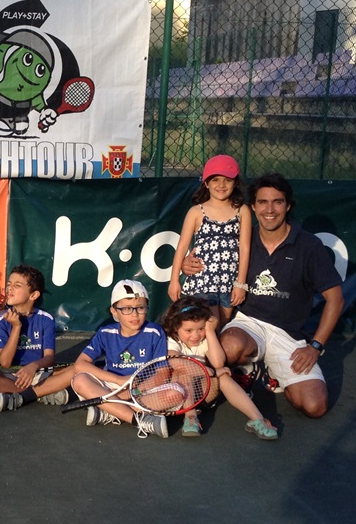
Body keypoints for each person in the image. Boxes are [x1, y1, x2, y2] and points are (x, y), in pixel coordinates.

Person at [182, 172, 344, 418]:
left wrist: (315, 347)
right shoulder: (241, 238)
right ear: (253, 207)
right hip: (249, 324)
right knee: (228, 347)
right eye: (262, 202)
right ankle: (247, 368)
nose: (270, 209)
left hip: (288, 335)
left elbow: (336, 299)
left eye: (277, 202)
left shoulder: (309, 246)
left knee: (314, 405)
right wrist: (187, 265)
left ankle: (274, 373)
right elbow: (207, 258)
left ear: (288, 206)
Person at [161, 297, 278, 439]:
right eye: (189, 330)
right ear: (175, 327)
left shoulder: (206, 338)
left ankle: (257, 419)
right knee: (184, 373)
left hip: (204, 393)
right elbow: (177, 363)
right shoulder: (172, 341)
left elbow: (218, 363)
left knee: (223, 377)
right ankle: (190, 417)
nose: (195, 335)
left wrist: (210, 332)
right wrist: (212, 372)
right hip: (180, 396)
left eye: (201, 329)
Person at [70, 279, 169, 438]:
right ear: (114, 312)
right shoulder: (105, 333)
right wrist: (118, 380)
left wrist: (131, 392)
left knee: (174, 393)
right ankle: (139, 419)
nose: (135, 314)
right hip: (113, 385)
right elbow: (80, 364)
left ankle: (108, 410)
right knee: (80, 380)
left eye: (140, 308)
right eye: (127, 309)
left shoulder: (155, 332)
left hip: (142, 387)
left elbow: (162, 373)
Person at [0, 264, 74, 411]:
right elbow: (5, 362)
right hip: (8, 375)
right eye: (9, 284)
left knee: (78, 369)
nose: (9, 289)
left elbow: (49, 357)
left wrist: (33, 367)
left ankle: (21, 396)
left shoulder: (46, 319)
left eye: (17, 286)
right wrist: (16, 327)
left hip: (38, 373)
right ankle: (42, 393)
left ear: (33, 295)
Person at [168, 154, 251, 327]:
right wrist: (174, 280)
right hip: (203, 281)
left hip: (229, 282)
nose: (221, 185)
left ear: (235, 183)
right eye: (215, 180)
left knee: (222, 326)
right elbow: (182, 247)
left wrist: (240, 284)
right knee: (210, 323)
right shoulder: (196, 212)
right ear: (206, 183)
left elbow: (245, 248)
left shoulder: (242, 211)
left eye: (227, 180)